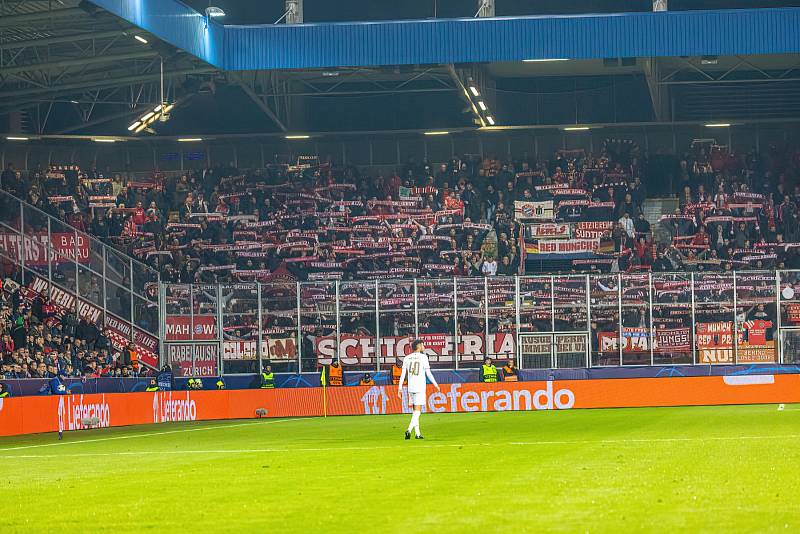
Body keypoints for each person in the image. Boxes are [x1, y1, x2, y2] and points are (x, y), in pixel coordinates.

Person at [397, 339, 440, 440]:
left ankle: (417, 433)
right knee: (418, 411)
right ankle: (409, 429)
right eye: (423, 345)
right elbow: (428, 373)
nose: (424, 346)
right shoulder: (423, 357)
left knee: (415, 411)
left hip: (410, 387)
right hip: (420, 386)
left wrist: (399, 388)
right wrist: (435, 384)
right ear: (419, 346)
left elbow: (403, 374)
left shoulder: (407, 358)